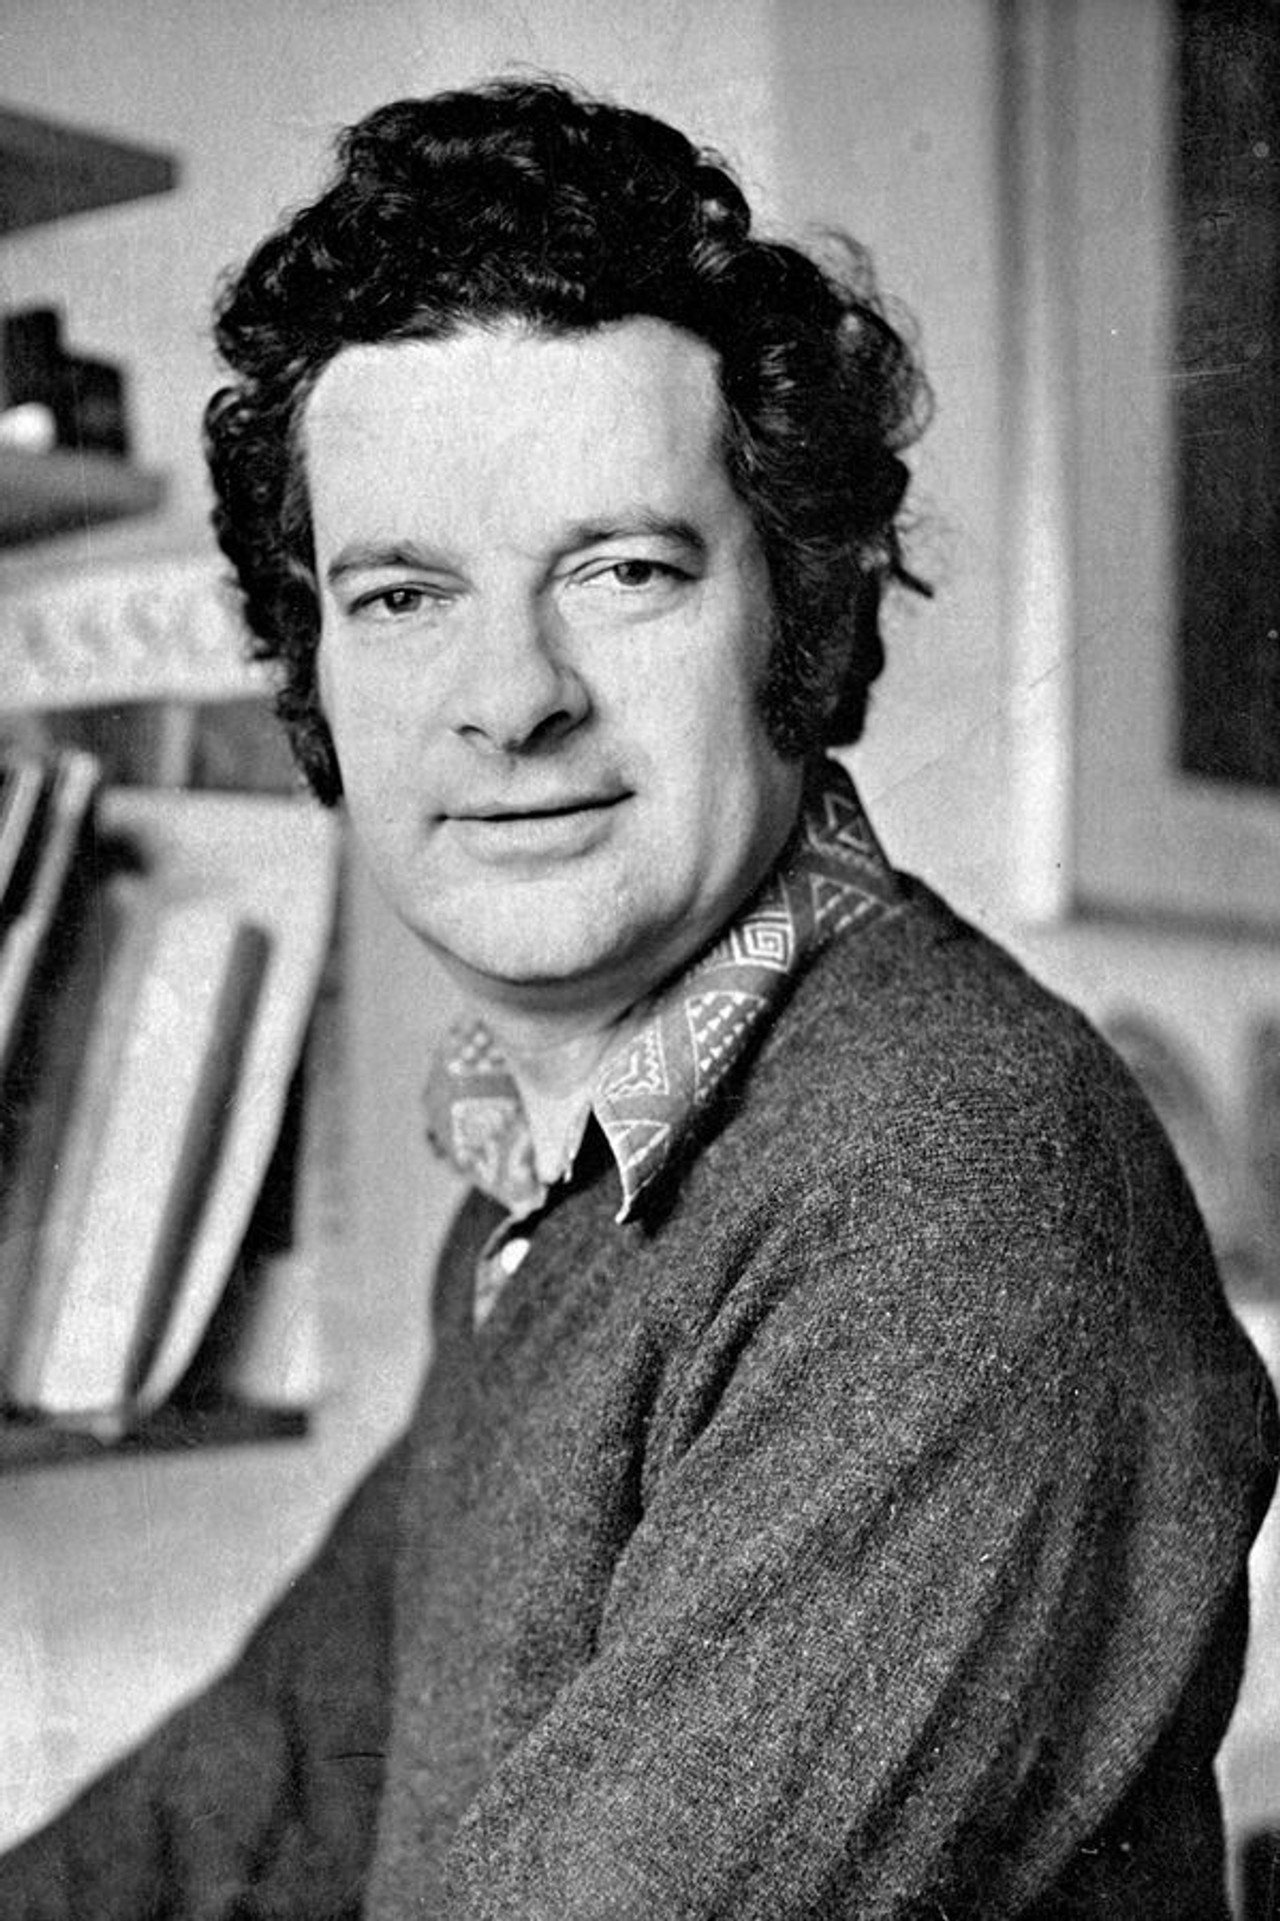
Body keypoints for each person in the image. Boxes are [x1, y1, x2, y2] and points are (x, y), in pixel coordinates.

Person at [1, 76, 1275, 1920]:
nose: (510, 696)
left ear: (799, 622)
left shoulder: (950, 1187)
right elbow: (263, 1789)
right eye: (403, 596)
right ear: (314, 669)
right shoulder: (556, 1177)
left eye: (622, 571)